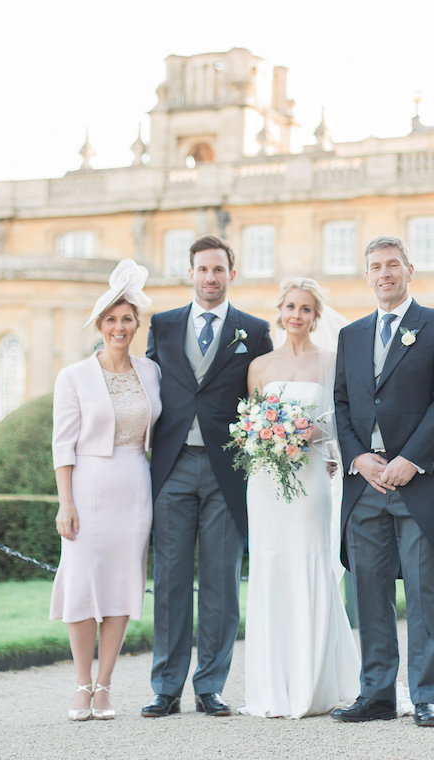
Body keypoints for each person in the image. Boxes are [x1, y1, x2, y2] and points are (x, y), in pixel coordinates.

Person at [331, 235, 434, 729]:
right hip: (365, 486)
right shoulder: (351, 335)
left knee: (424, 595)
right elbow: (341, 403)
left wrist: (412, 459)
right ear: (366, 275)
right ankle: (377, 694)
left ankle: (427, 696)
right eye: (375, 266)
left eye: (392, 264)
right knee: (368, 594)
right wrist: (358, 458)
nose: (384, 273)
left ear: (410, 269)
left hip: (418, 484)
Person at [143, 235, 272, 718]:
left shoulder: (254, 332)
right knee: (171, 580)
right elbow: (148, 387)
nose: (211, 277)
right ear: (191, 273)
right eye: (203, 269)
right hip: (172, 467)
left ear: (231, 274)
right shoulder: (163, 324)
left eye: (219, 269)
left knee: (221, 582)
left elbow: (266, 398)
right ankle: (166, 685)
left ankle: (211, 685)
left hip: (228, 472)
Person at [241, 277, 360, 719]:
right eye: (290, 306)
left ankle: (315, 683)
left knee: (310, 562)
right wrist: (261, 437)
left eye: (305, 309)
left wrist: (319, 435)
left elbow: (343, 420)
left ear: (316, 316)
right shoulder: (259, 367)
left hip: (310, 478)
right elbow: (250, 423)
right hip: (266, 482)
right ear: (280, 310)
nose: (296, 315)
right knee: (271, 567)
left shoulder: (331, 361)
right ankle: (274, 687)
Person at [50, 259, 162, 722]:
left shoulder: (151, 372)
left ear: (138, 325)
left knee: (120, 584)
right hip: (89, 484)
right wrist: (66, 501)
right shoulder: (74, 376)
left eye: (127, 319)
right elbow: (62, 442)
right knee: (81, 583)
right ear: (100, 325)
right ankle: (80, 684)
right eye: (112, 319)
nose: (120, 327)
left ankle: (105, 686)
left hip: (135, 484)